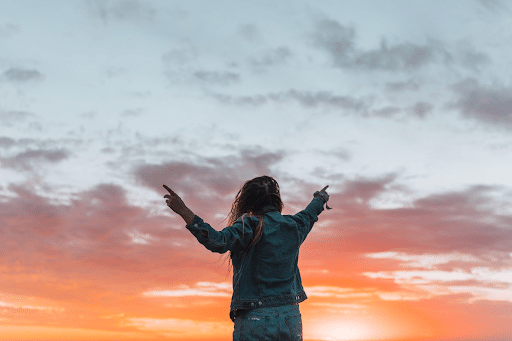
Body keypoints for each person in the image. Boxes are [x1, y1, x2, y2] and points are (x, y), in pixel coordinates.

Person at [163, 175, 330, 341]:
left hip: (255, 315)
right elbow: (310, 213)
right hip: (290, 316)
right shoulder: (294, 225)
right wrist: (320, 198)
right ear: (276, 200)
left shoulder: (249, 226)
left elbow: (217, 241)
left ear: (248, 200)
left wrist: (183, 210)